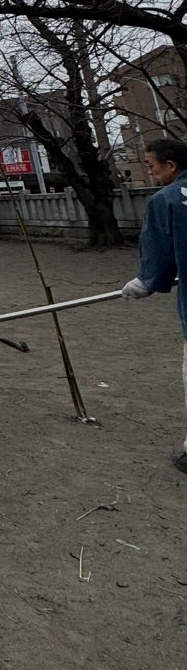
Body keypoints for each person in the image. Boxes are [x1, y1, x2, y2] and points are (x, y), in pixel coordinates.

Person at [121, 136, 187, 474]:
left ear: (171, 166)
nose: (150, 173)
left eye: (151, 167)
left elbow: (161, 253)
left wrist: (146, 281)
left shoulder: (169, 199)